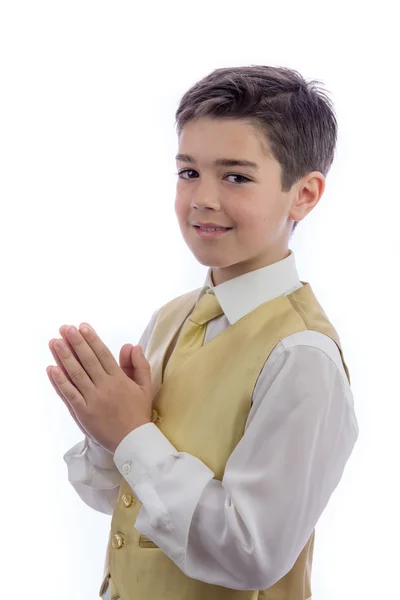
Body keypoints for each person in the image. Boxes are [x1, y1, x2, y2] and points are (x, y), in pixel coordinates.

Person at [54, 65, 359, 599]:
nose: (202, 198)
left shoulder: (301, 355)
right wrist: (105, 431)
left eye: (236, 176)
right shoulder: (171, 318)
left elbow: (251, 553)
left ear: (304, 195)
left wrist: (131, 435)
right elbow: (114, 499)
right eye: (188, 172)